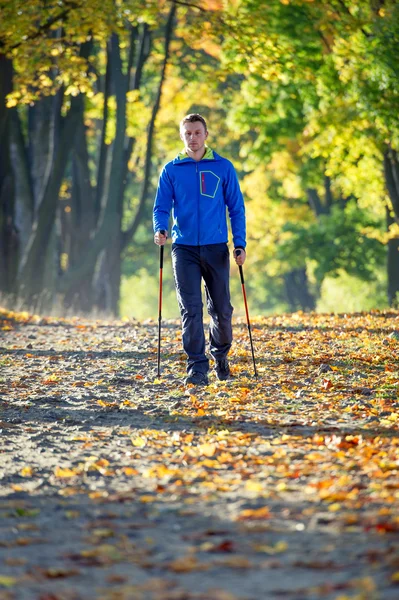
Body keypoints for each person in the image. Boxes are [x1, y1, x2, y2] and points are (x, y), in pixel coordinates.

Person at [153, 113, 246, 385]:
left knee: (222, 310)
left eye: (197, 133)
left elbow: (236, 208)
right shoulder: (171, 170)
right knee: (191, 309)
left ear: (206, 135)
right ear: (182, 137)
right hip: (184, 249)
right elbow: (161, 207)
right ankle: (196, 367)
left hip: (216, 247)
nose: (192, 138)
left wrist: (239, 243)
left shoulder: (223, 167)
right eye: (187, 133)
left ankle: (220, 355)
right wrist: (160, 229)